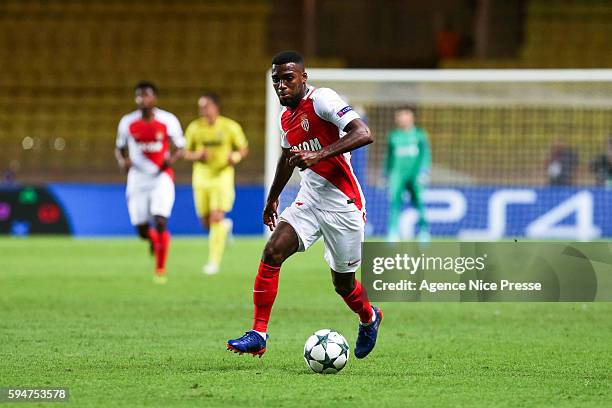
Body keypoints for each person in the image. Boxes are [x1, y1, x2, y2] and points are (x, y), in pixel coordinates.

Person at [227, 51, 382, 359]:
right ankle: (259, 333)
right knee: (272, 251)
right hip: (310, 200)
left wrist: (320, 154)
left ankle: (369, 316)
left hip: (344, 205)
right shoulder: (286, 118)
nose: (281, 86)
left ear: (302, 77)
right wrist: (272, 198)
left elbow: (363, 133)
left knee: (343, 285)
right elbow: (287, 158)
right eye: (276, 81)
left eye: (287, 78)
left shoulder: (322, 99)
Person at [115, 81, 185, 284]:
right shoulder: (127, 122)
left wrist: (170, 160)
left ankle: (160, 268)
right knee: (142, 230)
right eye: (139, 96)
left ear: (154, 98)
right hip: (137, 179)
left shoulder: (168, 120)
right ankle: (154, 240)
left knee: (161, 220)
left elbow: (180, 147)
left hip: (161, 177)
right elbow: (119, 148)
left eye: (146, 95)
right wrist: (123, 161)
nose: (142, 99)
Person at [183, 93, 249, 275]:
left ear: (215, 107)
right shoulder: (195, 128)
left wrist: (234, 156)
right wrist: (197, 155)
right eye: (200, 107)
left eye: (205, 106)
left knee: (215, 218)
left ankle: (213, 262)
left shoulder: (230, 126)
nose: (202, 110)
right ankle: (225, 227)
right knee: (206, 223)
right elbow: (185, 152)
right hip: (201, 178)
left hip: (222, 177)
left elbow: (243, 149)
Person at [384, 106, 431, 242]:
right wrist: (385, 174)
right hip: (397, 175)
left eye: (405, 116)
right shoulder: (393, 136)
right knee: (394, 203)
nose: (402, 119)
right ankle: (393, 233)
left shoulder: (420, 135)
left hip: (415, 175)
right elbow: (388, 157)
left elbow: (425, 154)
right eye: (400, 116)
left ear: (411, 118)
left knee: (420, 202)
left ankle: (423, 232)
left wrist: (424, 171)